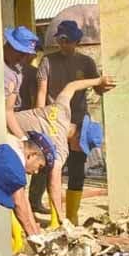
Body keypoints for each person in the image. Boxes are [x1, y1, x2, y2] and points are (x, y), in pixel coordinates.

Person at [35, 19, 110, 223]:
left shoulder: (86, 63)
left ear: (77, 41)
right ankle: (54, 218)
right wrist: (41, 120)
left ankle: (72, 215)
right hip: (53, 122)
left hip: (78, 123)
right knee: (53, 168)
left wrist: (105, 85)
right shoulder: (47, 61)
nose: (64, 45)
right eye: (61, 40)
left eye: (69, 41)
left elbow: (97, 88)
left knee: (77, 169)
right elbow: (42, 92)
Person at [15, 75, 116, 226]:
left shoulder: (61, 110)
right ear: (78, 138)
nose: (78, 151)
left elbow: (71, 86)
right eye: (81, 148)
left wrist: (98, 81)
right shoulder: (61, 148)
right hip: (4, 142)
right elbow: (54, 182)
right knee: (14, 192)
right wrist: (61, 216)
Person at [2, 25, 40, 138]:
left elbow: (8, 111)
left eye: (26, 55)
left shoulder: (17, 74)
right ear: (9, 45)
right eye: (20, 53)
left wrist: (23, 138)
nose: (22, 58)